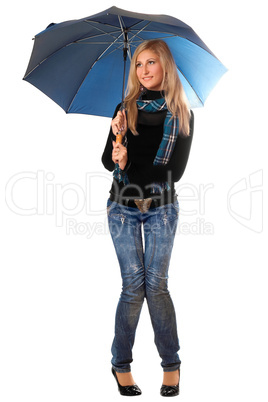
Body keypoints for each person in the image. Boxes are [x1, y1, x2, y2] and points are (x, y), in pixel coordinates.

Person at [102, 39, 194, 397]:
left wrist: (130, 164)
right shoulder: (124, 109)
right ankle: (120, 363)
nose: (143, 70)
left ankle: (171, 364)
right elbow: (107, 163)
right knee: (133, 286)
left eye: (150, 62)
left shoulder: (181, 113)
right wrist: (117, 147)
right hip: (122, 208)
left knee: (156, 286)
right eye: (138, 64)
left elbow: (173, 171)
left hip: (161, 208)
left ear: (164, 67)